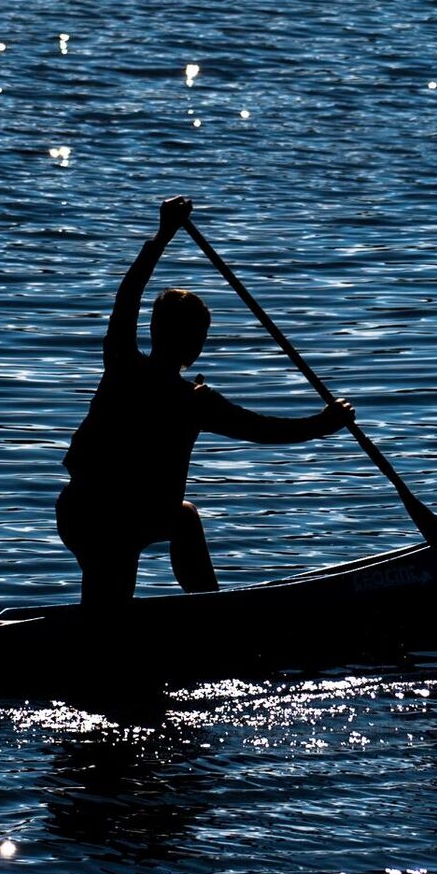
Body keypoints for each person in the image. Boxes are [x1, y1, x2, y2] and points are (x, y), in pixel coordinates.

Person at [58, 196, 355, 606]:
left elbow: (127, 295)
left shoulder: (122, 362)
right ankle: (201, 619)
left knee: (181, 519)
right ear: (196, 347)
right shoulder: (189, 399)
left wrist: (163, 235)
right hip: (110, 517)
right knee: (122, 587)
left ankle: (205, 610)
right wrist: (322, 425)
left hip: (80, 509)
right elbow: (264, 430)